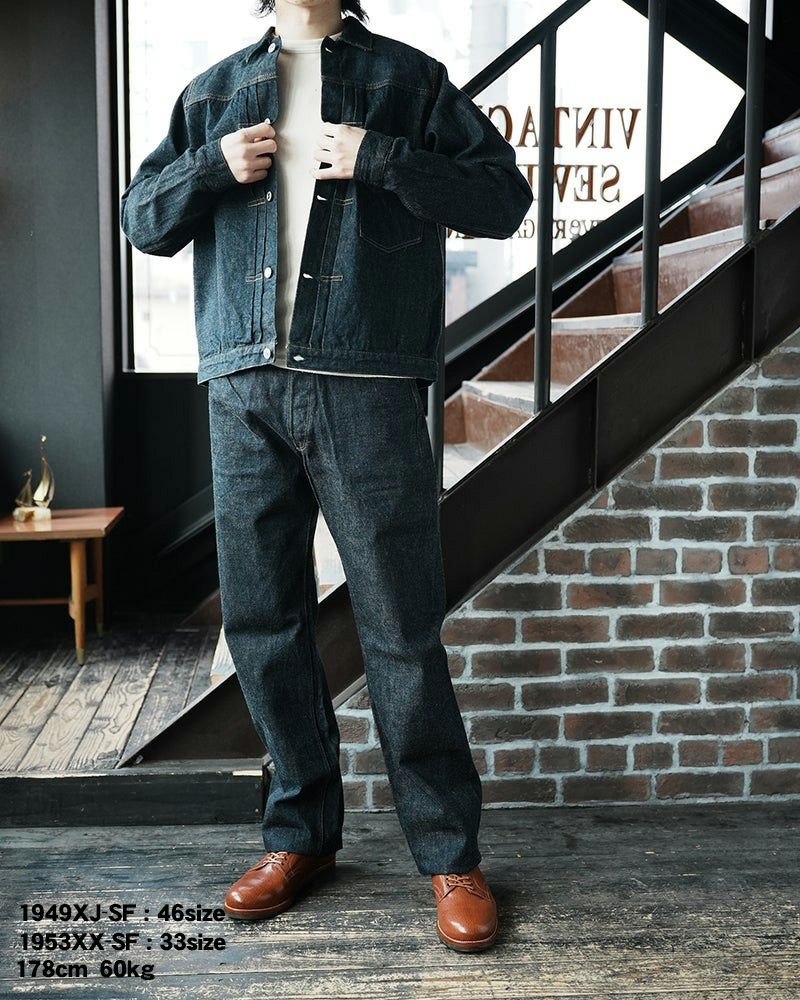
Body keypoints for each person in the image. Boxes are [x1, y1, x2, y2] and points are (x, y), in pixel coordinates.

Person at [120, 0, 532, 953]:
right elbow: (143, 219)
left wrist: (382, 158)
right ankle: (300, 835)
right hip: (244, 386)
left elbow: (501, 200)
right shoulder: (214, 92)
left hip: (367, 383)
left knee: (399, 623)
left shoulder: (407, 80)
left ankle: (449, 853)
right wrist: (213, 166)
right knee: (262, 622)